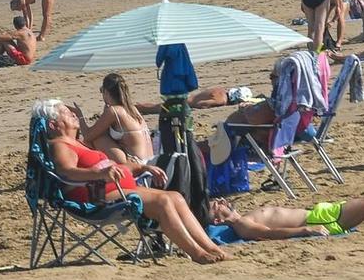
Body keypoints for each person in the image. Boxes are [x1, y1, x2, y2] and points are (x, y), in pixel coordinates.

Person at [33, 100, 228, 263]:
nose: (74, 115)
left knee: (175, 197)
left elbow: (114, 168)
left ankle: (210, 246)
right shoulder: (60, 145)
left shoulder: (78, 143)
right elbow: (66, 172)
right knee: (163, 202)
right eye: (67, 113)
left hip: (115, 188)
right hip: (96, 197)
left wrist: (142, 168)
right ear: (53, 125)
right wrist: (97, 173)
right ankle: (196, 253)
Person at [208, 193, 364, 239]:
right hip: (319, 220)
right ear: (218, 220)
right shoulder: (242, 225)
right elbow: (270, 234)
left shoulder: (245, 216)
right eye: (215, 205)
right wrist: (305, 230)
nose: (220, 201)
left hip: (319, 213)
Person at [82, 73, 153, 166]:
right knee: (101, 134)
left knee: (97, 138)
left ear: (106, 92)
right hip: (149, 160)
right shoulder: (132, 109)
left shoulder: (114, 111)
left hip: (135, 164)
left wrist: (79, 116)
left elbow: (88, 136)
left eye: (101, 91)